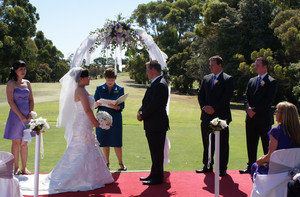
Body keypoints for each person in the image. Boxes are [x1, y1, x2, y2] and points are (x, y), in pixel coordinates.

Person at [18, 68, 114, 195]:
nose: (89, 78)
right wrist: (96, 122)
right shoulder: (80, 90)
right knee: (80, 149)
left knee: (88, 147)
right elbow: (86, 110)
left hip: (85, 123)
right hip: (82, 124)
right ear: (81, 78)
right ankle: (78, 178)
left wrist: (98, 107)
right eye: (87, 77)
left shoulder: (83, 90)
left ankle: (90, 177)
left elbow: (88, 106)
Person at [196, 55, 234, 177]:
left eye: (213, 65)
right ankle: (207, 165)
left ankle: (222, 168)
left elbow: (226, 98)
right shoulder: (206, 78)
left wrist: (214, 108)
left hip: (221, 116)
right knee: (207, 142)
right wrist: (204, 107)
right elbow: (200, 94)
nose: (210, 67)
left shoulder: (227, 79)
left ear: (219, 65)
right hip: (206, 116)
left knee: (222, 142)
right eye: (210, 65)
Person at [240, 57, 278, 174]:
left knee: (266, 144)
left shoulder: (271, 81)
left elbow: (268, 100)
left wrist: (254, 110)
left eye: (258, 65)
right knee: (250, 142)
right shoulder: (251, 80)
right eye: (255, 65)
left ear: (265, 67)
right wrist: (248, 108)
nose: (255, 67)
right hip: (250, 118)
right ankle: (251, 165)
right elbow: (246, 95)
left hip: (263, 118)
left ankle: (268, 166)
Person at [137, 60, 169, 185]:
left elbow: (154, 105)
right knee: (154, 151)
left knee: (157, 151)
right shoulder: (155, 83)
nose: (146, 72)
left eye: (147, 69)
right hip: (152, 123)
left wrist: (143, 115)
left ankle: (157, 177)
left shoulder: (160, 84)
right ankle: (153, 173)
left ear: (154, 70)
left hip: (157, 124)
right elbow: (146, 102)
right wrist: (140, 111)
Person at [251, 101, 300, 178]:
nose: (275, 113)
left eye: (277, 111)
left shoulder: (276, 131)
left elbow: (270, 156)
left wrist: (260, 160)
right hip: (296, 171)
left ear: (283, 115)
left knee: (254, 166)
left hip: (277, 172)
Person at [3, 60, 34, 175]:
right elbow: (10, 101)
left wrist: (30, 113)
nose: (23, 71)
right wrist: (20, 116)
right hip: (16, 116)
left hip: (27, 116)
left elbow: (31, 100)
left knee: (25, 142)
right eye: (21, 69)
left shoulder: (27, 83)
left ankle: (24, 168)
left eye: (24, 69)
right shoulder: (11, 83)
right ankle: (16, 167)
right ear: (15, 70)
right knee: (16, 142)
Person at [94, 68, 126, 171]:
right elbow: (93, 104)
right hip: (102, 119)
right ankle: (106, 163)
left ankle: (121, 163)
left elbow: (122, 105)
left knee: (117, 142)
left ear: (115, 78)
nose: (110, 82)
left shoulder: (120, 89)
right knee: (104, 142)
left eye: (112, 80)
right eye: (108, 80)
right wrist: (96, 104)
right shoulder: (99, 88)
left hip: (115, 119)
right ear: (105, 78)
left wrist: (115, 107)